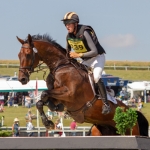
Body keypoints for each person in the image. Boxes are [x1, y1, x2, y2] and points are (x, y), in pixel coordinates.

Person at [61, 12, 110, 114]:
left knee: (96, 77)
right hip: (86, 60)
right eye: (65, 24)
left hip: (97, 58)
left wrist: (78, 55)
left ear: (75, 23)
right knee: (76, 77)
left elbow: (94, 51)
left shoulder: (85, 32)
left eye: (69, 23)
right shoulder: (69, 36)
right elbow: (67, 53)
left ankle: (106, 104)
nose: (67, 26)